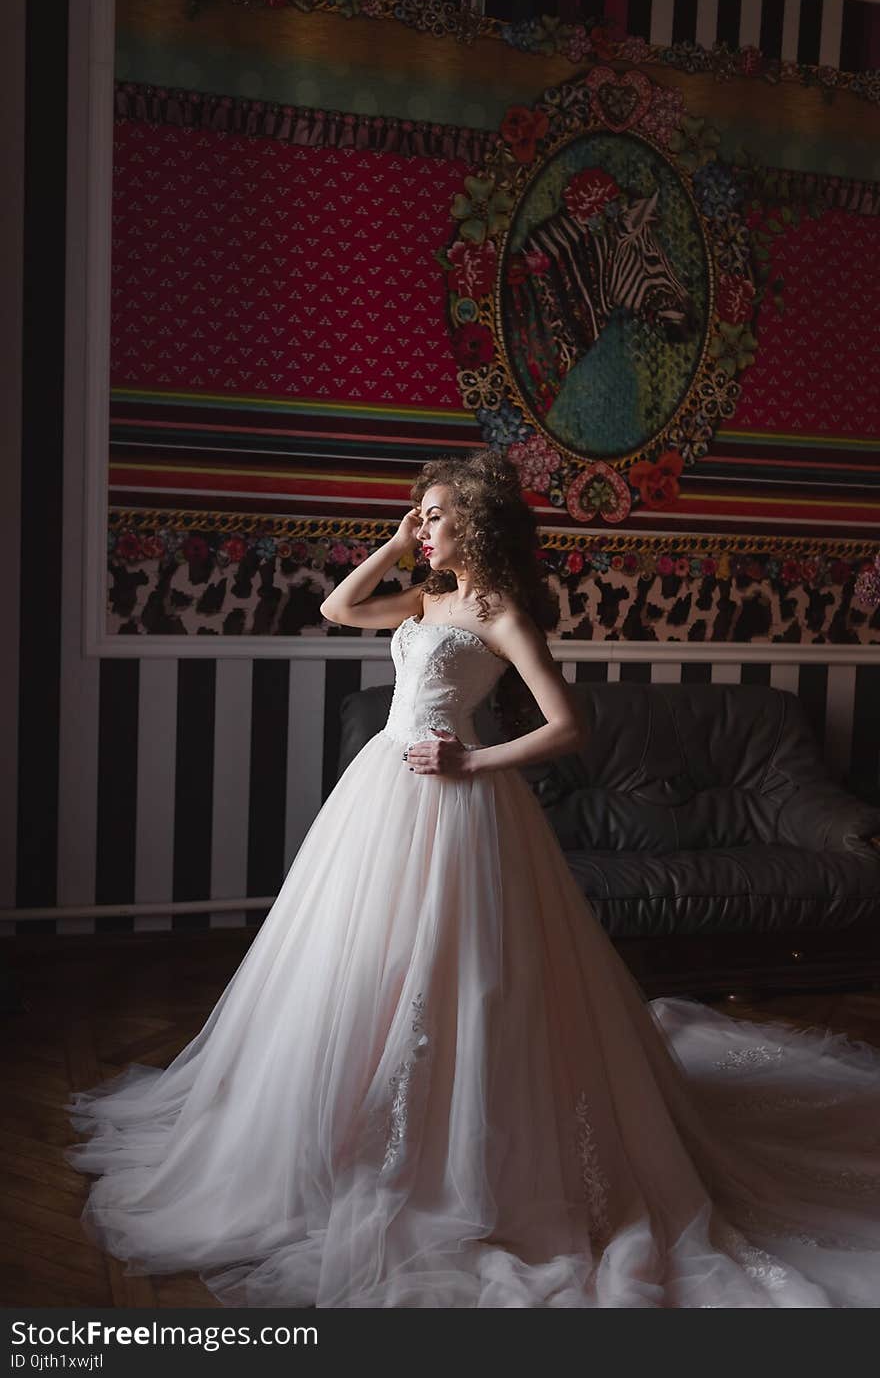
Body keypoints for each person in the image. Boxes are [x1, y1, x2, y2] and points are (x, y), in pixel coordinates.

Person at [66, 450, 880, 1308]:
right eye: (419, 514)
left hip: (460, 804)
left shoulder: (500, 613)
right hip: (381, 797)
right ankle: (347, 1127)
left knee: (469, 978)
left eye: (437, 515)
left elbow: (566, 725)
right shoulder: (423, 597)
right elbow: (337, 607)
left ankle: (466, 1152)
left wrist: (475, 758)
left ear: (479, 523)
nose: (425, 527)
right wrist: (392, 539)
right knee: (361, 965)